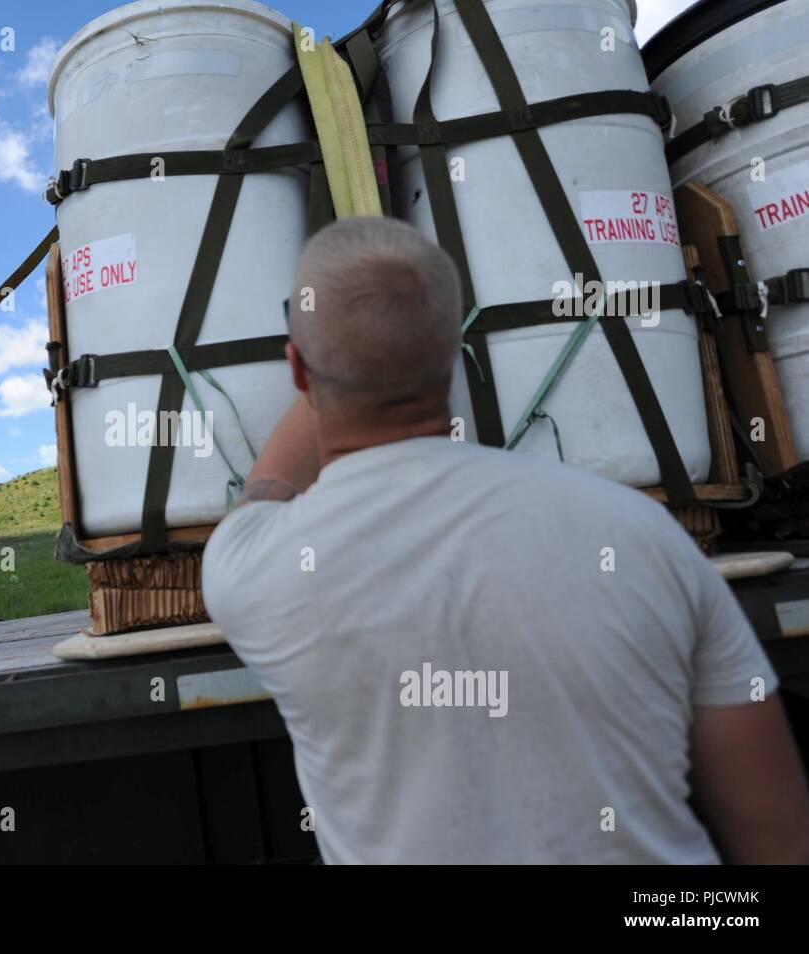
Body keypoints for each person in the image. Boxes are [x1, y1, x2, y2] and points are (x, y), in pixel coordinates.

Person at [200, 215, 809, 863]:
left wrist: (338, 352)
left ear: (296, 370)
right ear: (458, 349)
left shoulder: (258, 570)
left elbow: (265, 492)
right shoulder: (641, 532)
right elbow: (777, 833)